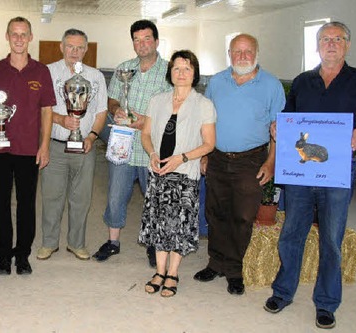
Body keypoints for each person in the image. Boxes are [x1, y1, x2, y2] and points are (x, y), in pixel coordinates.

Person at [264, 22, 356, 329]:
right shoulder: (302, 81)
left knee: (332, 239)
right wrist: (277, 129)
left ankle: (326, 303)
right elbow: (288, 120)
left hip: (337, 173)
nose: (331, 44)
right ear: (317, 46)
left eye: (337, 39)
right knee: (292, 232)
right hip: (301, 172)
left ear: (347, 44)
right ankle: (283, 292)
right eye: (325, 39)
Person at [193, 33, 285, 295]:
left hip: (251, 160)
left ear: (257, 53)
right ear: (229, 55)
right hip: (218, 157)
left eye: (248, 51)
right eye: (237, 51)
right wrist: (204, 154)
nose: (242, 56)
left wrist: (271, 163)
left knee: (242, 216)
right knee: (215, 212)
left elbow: (278, 130)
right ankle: (215, 262)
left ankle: (234, 270)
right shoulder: (217, 82)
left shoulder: (271, 85)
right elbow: (206, 122)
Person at [92, 19, 171, 267]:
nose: (142, 44)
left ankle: (152, 245)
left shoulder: (170, 71)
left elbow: (175, 110)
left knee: (153, 199)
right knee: (115, 196)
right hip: (122, 146)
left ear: (156, 41)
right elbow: (112, 99)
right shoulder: (124, 68)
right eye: (137, 39)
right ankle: (113, 242)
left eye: (147, 38)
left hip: (153, 149)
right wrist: (116, 109)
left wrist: (145, 121)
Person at [0, 17, 55, 275]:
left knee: (26, 205)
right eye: (15, 34)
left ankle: (22, 255)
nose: (19, 39)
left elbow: (47, 111)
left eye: (24, 34)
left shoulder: (41, 71)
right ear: (7, 36)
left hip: (28, 150)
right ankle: (3, 255)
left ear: (31, 37)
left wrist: (44, 146)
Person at [139, 50, 216, 297]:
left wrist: (181, 158)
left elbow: (209, 144)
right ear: (169, 72)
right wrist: (152, 154)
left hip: (184, 174)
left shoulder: (203, 104)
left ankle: (173, 273)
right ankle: (159, 271)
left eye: (187, 68)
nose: (181, 73)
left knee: (179, 226)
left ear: (195, 74)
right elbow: (146, 134)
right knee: (159, 223)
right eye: (176, 68)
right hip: (158, 172)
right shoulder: (157, 100)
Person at [38, 29, 108, 261]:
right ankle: (49, 243)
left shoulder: (96, 76)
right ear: (61, 47)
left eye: (80, 47)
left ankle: (76, 243)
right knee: (51, 197)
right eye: (70, 46)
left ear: (86, 49)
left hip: (85, 146)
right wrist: (60, 120)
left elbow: (101, 111)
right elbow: (42, 109)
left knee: (81, 199)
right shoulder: (48, 72)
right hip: (56, 145)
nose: (75, 52)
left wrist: (91, 137)